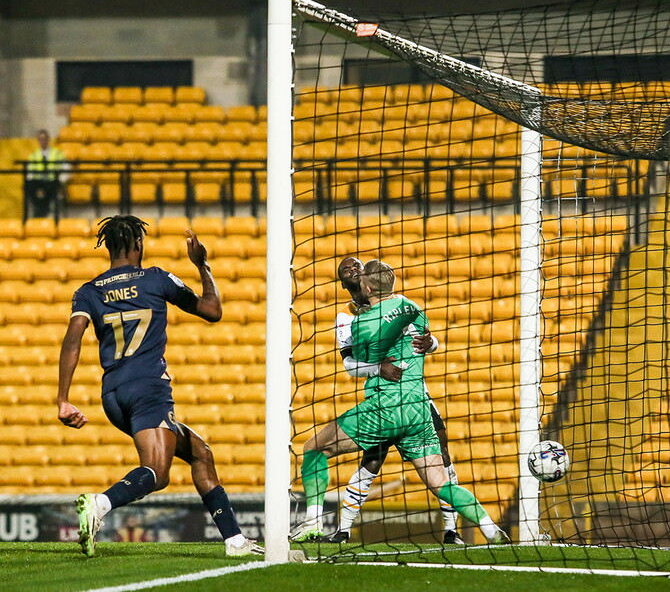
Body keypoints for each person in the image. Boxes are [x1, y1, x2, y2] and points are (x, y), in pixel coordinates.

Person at [57, 215, 263, 558]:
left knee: (200, 453)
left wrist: (63, 399)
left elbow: (71, 341)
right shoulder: (155, 278)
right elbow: (212, 311)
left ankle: (235, 541)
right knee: (158, 471)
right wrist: (203, 265)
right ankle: (100, 504)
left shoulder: (87, 292)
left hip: (113, 395)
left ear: (106, 247)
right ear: (140, 243)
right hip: (149, 388)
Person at [290, 260, 508, 545]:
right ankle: (492, 531)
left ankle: (312, 524)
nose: (354, 272)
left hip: (384, 408)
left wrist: (383, 364)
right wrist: (428, 344)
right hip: (417, 408)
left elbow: (362, 358)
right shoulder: (412, 307)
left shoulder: (362, 323)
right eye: (348, 271)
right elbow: (423, 338)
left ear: (367, 286)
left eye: (359, 269)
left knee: (314, 449)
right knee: (440, 482)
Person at [25, 129, 68, 219]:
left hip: (52, 181)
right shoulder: (34, 155)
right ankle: (38, 212)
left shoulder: (57, 153)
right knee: (29, 187)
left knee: (53, 189)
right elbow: (29, 172)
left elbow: (66, 168)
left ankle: (49, 214)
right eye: (40, 139)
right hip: (38, 182)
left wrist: (61, 180)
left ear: (48, 139)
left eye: (45, 138)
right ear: (38, 140)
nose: (43, 141)